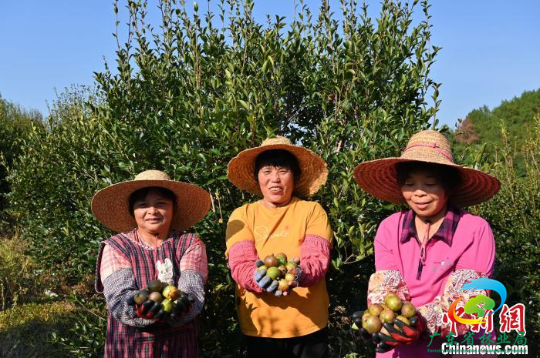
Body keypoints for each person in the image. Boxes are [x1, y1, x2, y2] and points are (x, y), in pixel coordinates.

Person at [353, 130, 501, 357]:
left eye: (430, 183)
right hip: (402, 350)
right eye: (410, 184)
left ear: (448, 187)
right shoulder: (390, 228)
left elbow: (468, 301)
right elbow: (387, 287)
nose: (419, 193)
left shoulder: (473, 230)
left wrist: (419, 323)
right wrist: (380, 316)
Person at [225, 136, 333, 358]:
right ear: (257, 178)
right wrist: (255, 278)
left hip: (307, 322)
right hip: (261, 325)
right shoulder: (243, 215)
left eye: (283, 171)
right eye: (267, 172)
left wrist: (299, 273)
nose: (275, 179)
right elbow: (240, 261)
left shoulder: (311, 211)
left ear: (295, 176)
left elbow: (317, 258)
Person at [92, 170, 211, 358]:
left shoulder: (190, 244)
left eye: (161, 204)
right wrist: (140, 309)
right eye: (143, 205)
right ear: (133, 211)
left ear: (173, 208)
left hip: (181, 347)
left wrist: (184, 304)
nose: (152, 211)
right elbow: (118, 299)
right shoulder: (116, 247)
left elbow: (192, 290)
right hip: (129, 349)